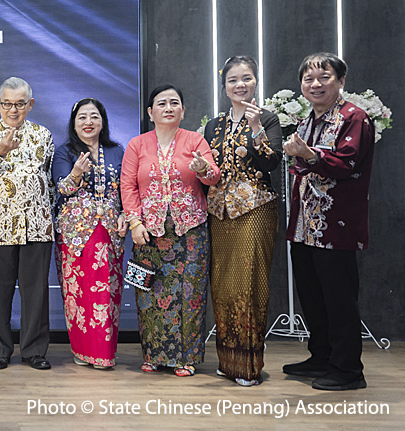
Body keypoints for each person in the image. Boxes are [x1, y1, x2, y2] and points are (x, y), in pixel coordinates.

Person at [282, 53, 373, 391]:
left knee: (339, 297)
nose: (315, 84)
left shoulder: (354, 118)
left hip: (337, 226)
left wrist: (307, 156)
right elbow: (300, 167)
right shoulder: (307, 121)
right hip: (305, 224)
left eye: (324, 77)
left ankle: (349, 370)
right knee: (312, 295)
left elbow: (346, 163)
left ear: (341, 81)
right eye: (308, 79)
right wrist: (303, 159)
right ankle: (322, 356)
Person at [121, 84, 220, 377]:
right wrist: (134, 223)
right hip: (148, 233)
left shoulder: (195, 139)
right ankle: (153, 354)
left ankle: (185, 358)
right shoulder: (137, 145)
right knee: (148, 292)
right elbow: (127, 186)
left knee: (189, 294)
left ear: (183, 110)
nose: (168, 108)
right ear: (151, 112)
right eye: (161, 103)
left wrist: (202, 167)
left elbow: (213, 177)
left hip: (190, 231)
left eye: (174, 103)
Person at [203, 56, 283, 386]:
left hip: (254, 209)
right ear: (224, 87)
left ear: (255, 82)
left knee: (248, 286)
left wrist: (255, 130)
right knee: (222, 287)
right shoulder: (214, 125)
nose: (240, 84)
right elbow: (210, 170)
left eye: (246, 78)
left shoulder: (267, 117)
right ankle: (228, 362)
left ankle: (249, 366)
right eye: (233, 80)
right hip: (219, 212)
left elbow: (271, 162)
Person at [0, 77, 54, 371]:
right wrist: (0, 151)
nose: (13, 110)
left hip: (36, 225)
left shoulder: (44, 135)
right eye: (7, 104)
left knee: (36, 293)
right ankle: (0, 350)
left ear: (30, 105)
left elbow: (51, 182)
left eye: (20, 104)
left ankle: (34, 351)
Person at [52, 98, 127, 370]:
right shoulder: (64, 152)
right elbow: (62, 189)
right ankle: (83, 351)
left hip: (109, 229)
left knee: (107, 291)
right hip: (74, 232)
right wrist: (75, 172)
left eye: (94, 116)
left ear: (102, 121)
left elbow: (125, 192)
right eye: (82, 117)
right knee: (77, 293)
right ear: (74, 123)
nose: (88, 122)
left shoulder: (117, 151)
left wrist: (124, 216)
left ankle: (104, 353)